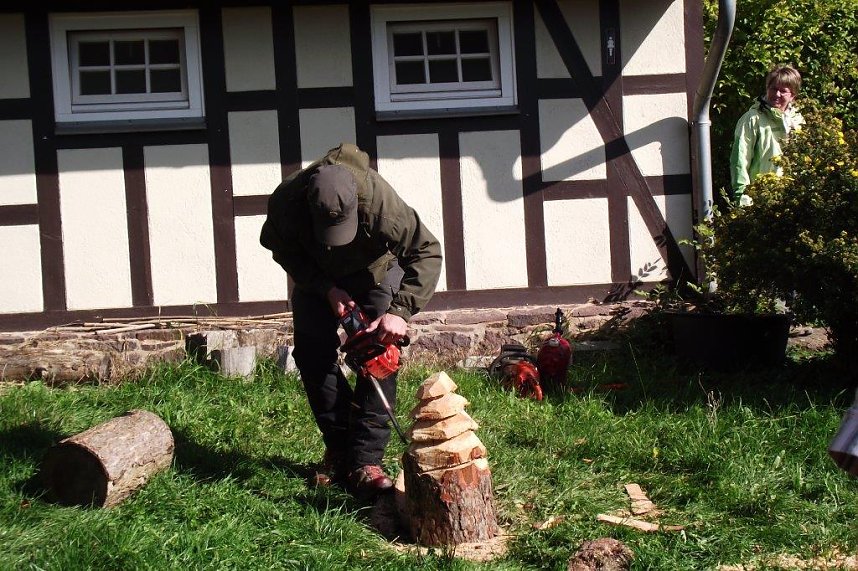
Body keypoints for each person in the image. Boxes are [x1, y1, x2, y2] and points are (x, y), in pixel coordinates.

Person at [259, 143, 442, 498]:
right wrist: (325, 288)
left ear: (357, 204)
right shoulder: (286, 202)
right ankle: (340, 448)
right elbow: (281, 249)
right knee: (312, 356)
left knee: (379, 356)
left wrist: (399, 312)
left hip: (373, 273)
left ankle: (367, 461)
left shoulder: (381, 205)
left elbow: (426, 251)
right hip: (317, 278)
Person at [729, 65, 805, 204]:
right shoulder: (752, 119)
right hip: (760, 200)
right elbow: (740, 160)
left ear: (793, 95)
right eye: (773, 89)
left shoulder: (798, 121)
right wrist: (742, 198)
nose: (777, 94)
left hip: (792, 200)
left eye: (783, 91)